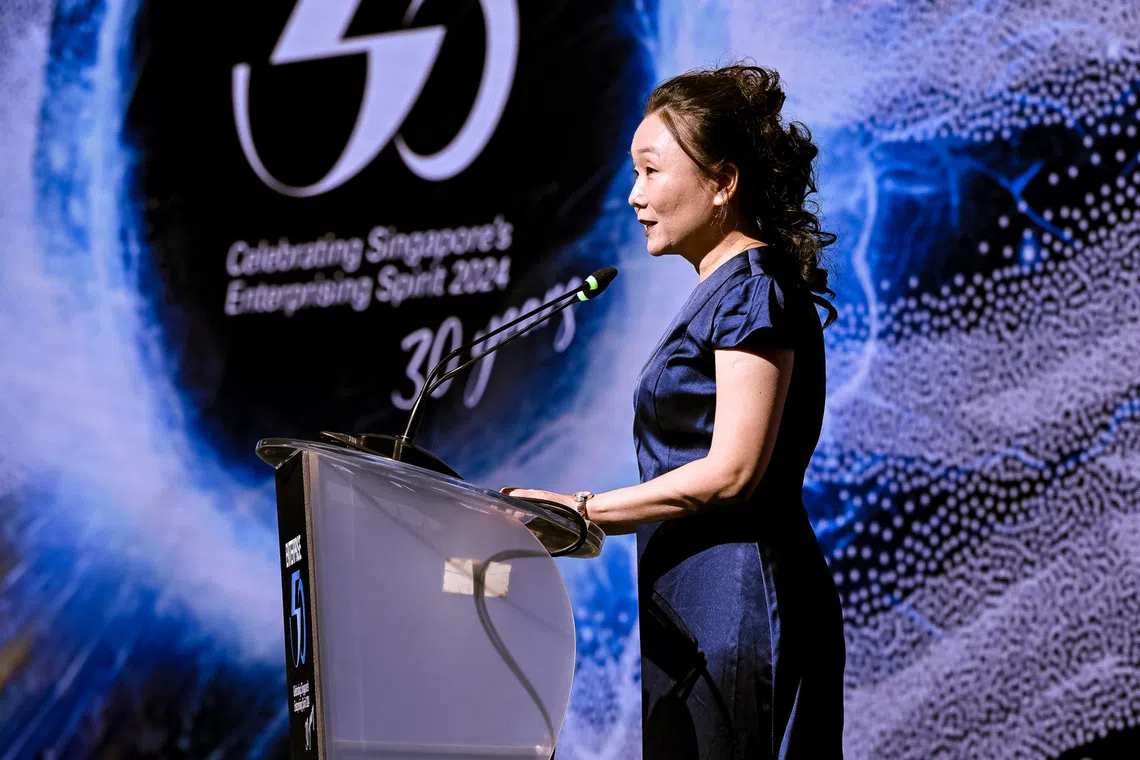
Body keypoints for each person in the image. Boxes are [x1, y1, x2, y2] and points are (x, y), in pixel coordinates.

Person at [503, 63, 845, 759]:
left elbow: (732, 472)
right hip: (692, 605)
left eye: (652, 171)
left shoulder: (753, 290)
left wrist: (584, 510)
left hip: (741, 604)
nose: (634, 195)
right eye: (634, 173)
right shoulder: (720, 292)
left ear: (723, 182)